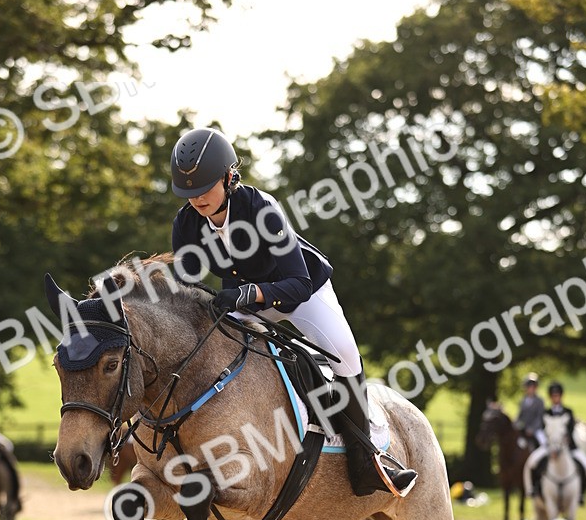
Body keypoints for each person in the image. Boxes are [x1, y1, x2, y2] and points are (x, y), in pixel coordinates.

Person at [169, 127, 417, 498]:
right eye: (190, 192)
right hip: (244, 302)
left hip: (301, 294)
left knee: (346, 355)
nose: (198, 199)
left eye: (205, 187)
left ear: (228, 177)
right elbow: (186, 285)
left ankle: (367, 460)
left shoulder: (262, 209)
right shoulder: (186, 223)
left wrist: (249, 294)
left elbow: (298, 282)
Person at [524, 382, 586, 502]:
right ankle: (534, 488)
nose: (555, 398)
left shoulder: (568, 411)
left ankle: (581, 493)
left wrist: (564, 443)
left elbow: (571, 429)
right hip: (548, 446)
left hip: (568, 447)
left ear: (561, 396)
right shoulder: (546, 413)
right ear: (550, 397)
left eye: (557, 395)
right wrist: (546, 444)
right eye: (553, 395)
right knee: (531, 463)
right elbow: (541, 430)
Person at [514, 373, 545, 450]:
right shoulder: (523, 401)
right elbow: (520, 415)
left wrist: (532, 429)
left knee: (543, 442)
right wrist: (515, 423)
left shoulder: (539, 401)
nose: (531, 389)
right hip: (524, 428)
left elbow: (539, 417)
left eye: (533, 387)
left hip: (536, 429)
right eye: (529, 387)